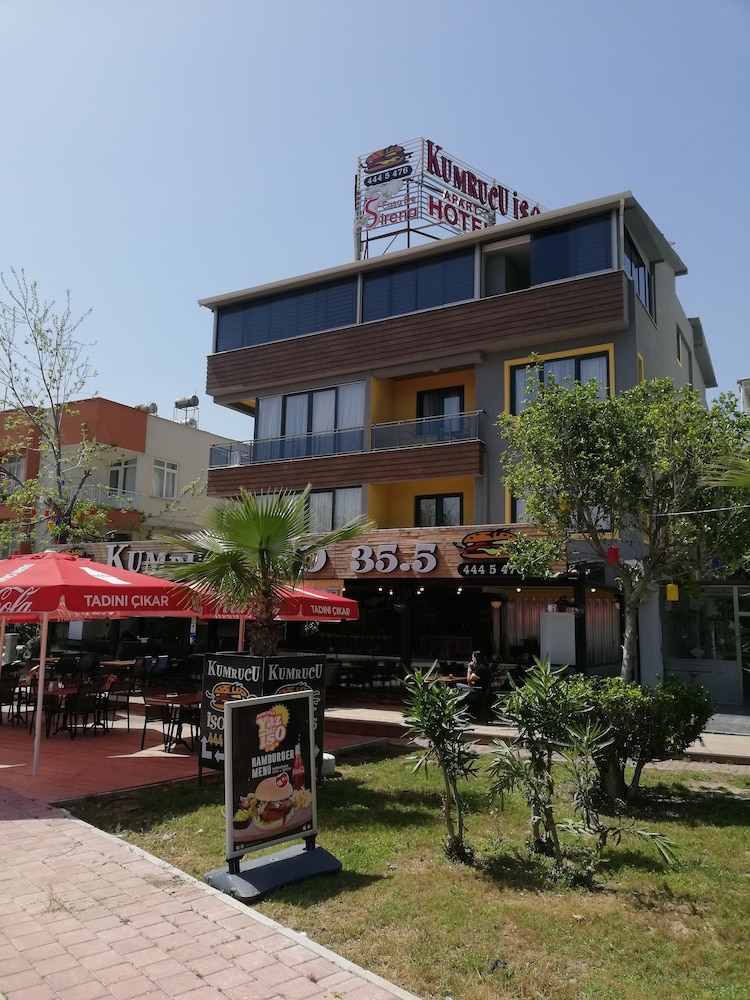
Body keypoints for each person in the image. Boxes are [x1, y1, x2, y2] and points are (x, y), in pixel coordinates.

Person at [456, 650, 490, 719]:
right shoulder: (484, 666)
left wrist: (469, 668)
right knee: (459, 685)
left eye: (473, 658)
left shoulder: (480, 669)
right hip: (479, 690)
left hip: (477, 692)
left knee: (456, 685)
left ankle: (458, 711)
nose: (472, 659)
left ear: (476, 659)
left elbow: (469, 680)